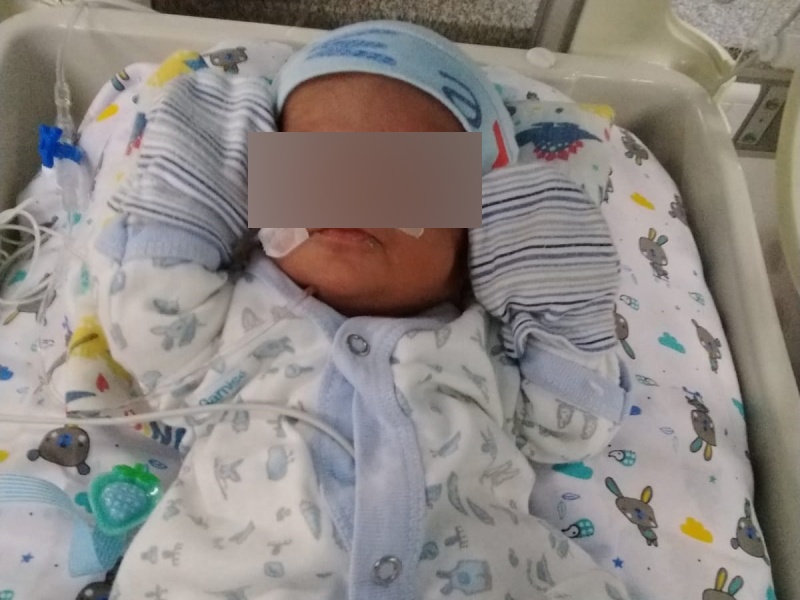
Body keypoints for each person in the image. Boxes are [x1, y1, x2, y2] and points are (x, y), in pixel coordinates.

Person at [52, 20, 631, 599]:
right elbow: (143, 317)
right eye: (316, 170)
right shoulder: (227, 316)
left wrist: (544, 257)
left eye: (402, 178)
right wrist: (210, 162)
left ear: (473, 238)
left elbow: (572, 425)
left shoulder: (485, 342)